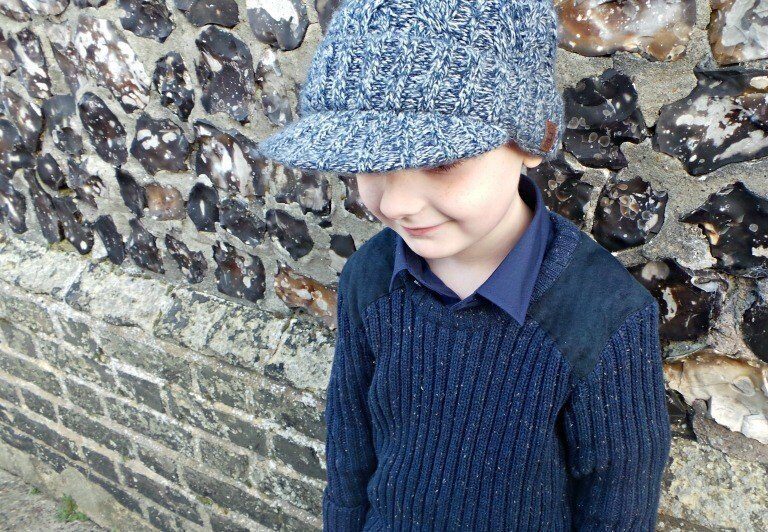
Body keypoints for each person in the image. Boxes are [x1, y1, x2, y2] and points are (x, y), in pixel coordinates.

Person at [258, 1, 672, 530]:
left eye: (441, 161)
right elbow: (349, 447)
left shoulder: (603, 314)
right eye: (367, 163)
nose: (398, 203)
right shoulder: (370, 276)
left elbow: (617, 504)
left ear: (534, 140)